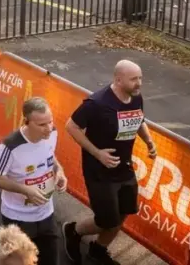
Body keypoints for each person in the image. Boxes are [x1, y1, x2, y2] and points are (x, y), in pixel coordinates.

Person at [63, 60, 157, 265]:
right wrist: (97, 153)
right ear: (118, 79)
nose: (139, 83)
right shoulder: (97, 103)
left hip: (124, 168)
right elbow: (71, 126)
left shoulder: (135, 97)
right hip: (99, 172)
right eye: (134, 79)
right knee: (106, 220)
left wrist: (148, 141)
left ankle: (98, 249)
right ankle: (73, 230)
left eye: (140, 78)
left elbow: (139, 119)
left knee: (124, 212)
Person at [0, 97, 68, 265]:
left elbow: (50, 155)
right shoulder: (10, 146)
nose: (48, 129)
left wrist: (59, 171)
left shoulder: (52, 133)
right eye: (41, 125)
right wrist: (25, 190)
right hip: (18, 217)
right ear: (27, 122)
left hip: (46, 213)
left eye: (50, 122)